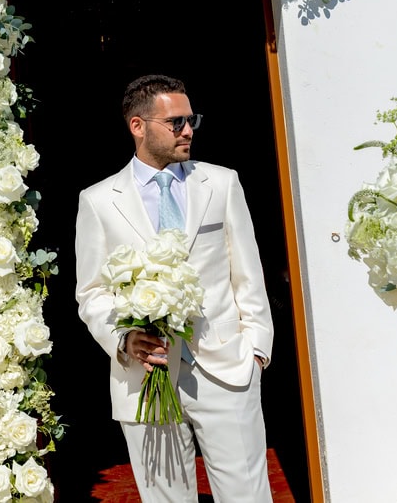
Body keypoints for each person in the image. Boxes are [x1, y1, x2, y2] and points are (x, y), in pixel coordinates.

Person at [75, 74, 274, 502]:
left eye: (191, 120)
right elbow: (91, 292)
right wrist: (125, 340)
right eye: (176, 122)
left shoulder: (222, 183)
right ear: (138, 126)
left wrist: (256, 348)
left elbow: (247, 271)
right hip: (144, 379)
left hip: (226, 368)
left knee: (248, 495)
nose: (188, 131)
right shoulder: (97, 200)